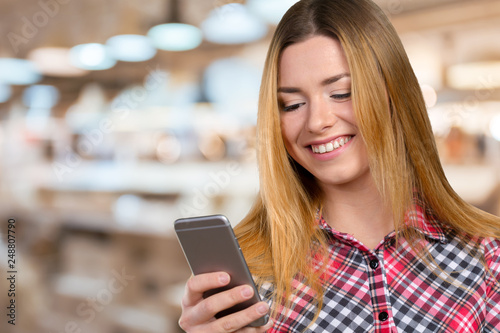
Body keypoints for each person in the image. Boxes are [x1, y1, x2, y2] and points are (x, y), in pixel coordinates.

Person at [178, 0, 500, 332]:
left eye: (342, 93)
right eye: (293, 104)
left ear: (393, 94)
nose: (317, 122)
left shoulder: (488, 258)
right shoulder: (246, 276)